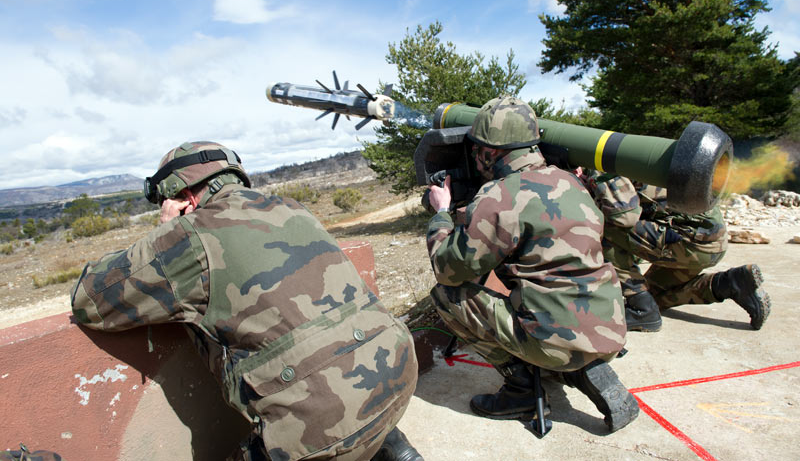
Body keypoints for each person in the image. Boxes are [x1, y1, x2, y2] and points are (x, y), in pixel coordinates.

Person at [71, 141, 422, 461]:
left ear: (184, 199)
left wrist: (164, 234)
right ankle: (394, 448)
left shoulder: (187, 236)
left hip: (316, 429)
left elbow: (89, 301)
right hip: (398, 378)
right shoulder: (291, 207)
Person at [424, 97, 639, 433]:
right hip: (609, 326)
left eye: (477, 148)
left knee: (447, 294)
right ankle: (580, 366)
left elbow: (448, 267)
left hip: (556, 339)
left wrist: (441, 212)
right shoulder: (572, 182)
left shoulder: (500, 196)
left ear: (489, 152)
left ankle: (522, 388)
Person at [587, 176, 771, 332]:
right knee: (654, 298)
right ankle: (730, 283)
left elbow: (623, 218)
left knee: (604, 223)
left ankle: (639, 306)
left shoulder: (601, 165)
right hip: (707, 240)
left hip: (690, 241)